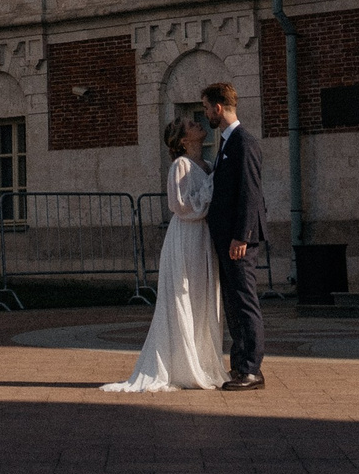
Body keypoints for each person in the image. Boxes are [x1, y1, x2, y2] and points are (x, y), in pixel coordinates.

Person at [100, 114, 225, 392]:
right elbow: (181, 206)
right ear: (183, 140)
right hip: (187, 237)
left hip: (204, 237)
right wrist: (210, 187)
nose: (198, 125)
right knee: (186, 296)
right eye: (191, 125)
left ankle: (204, 361)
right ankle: (183, 365)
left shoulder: (206, 164)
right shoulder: (181, 165)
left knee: (203, 299)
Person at [202, 81, 267, 390]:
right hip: (228, 238)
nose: (205, 116)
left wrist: (242, 236)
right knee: (233, 302)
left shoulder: (243, 141)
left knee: (243, 301)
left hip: (238, 240)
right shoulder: (227, 142)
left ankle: (251, 369)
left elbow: (250, 192)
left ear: (218, 107)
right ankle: (240, 366)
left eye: (205, 109)